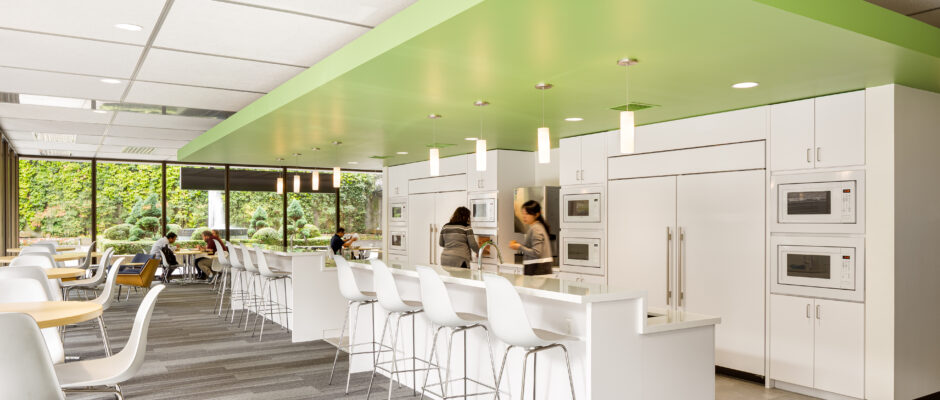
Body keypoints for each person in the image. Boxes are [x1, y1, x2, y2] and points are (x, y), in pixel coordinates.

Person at [509, 200, 553, 275]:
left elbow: (536, 253)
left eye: (527, 213)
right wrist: (519, 245)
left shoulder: (536, 229)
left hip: (537, 269)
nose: (524, 216)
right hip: (539, 269)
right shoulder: (537, 227)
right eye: (523, 213)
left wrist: (519, 247)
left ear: (536, 214)